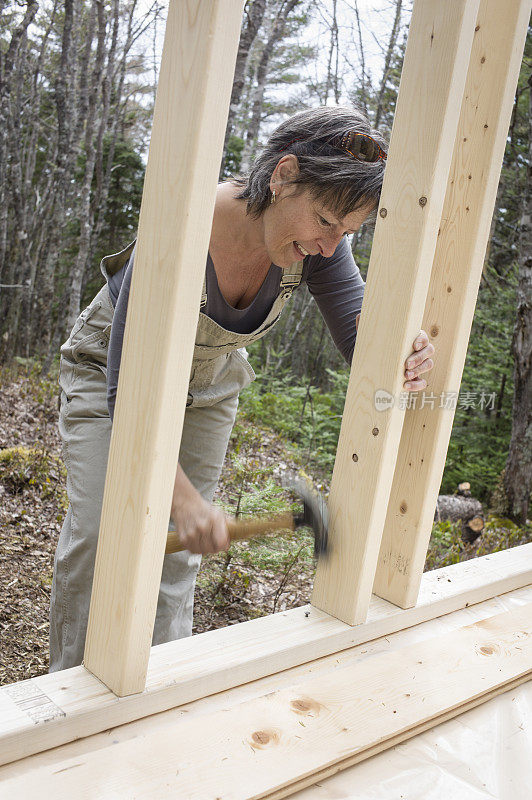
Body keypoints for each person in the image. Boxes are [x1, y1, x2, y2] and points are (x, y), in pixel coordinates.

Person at [49, 106, 435, 672]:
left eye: (347, 233)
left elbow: (363, 343)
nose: (331, 246)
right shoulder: (184, 224)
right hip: (111, 375)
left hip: (208, 385)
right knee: (104, 531)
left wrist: (403, 348)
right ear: (283, 176)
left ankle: (153, 688)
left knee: (179, 556)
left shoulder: (321, 249)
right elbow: (128, 386)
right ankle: (67, 698)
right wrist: (179, 498)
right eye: (327, 223)